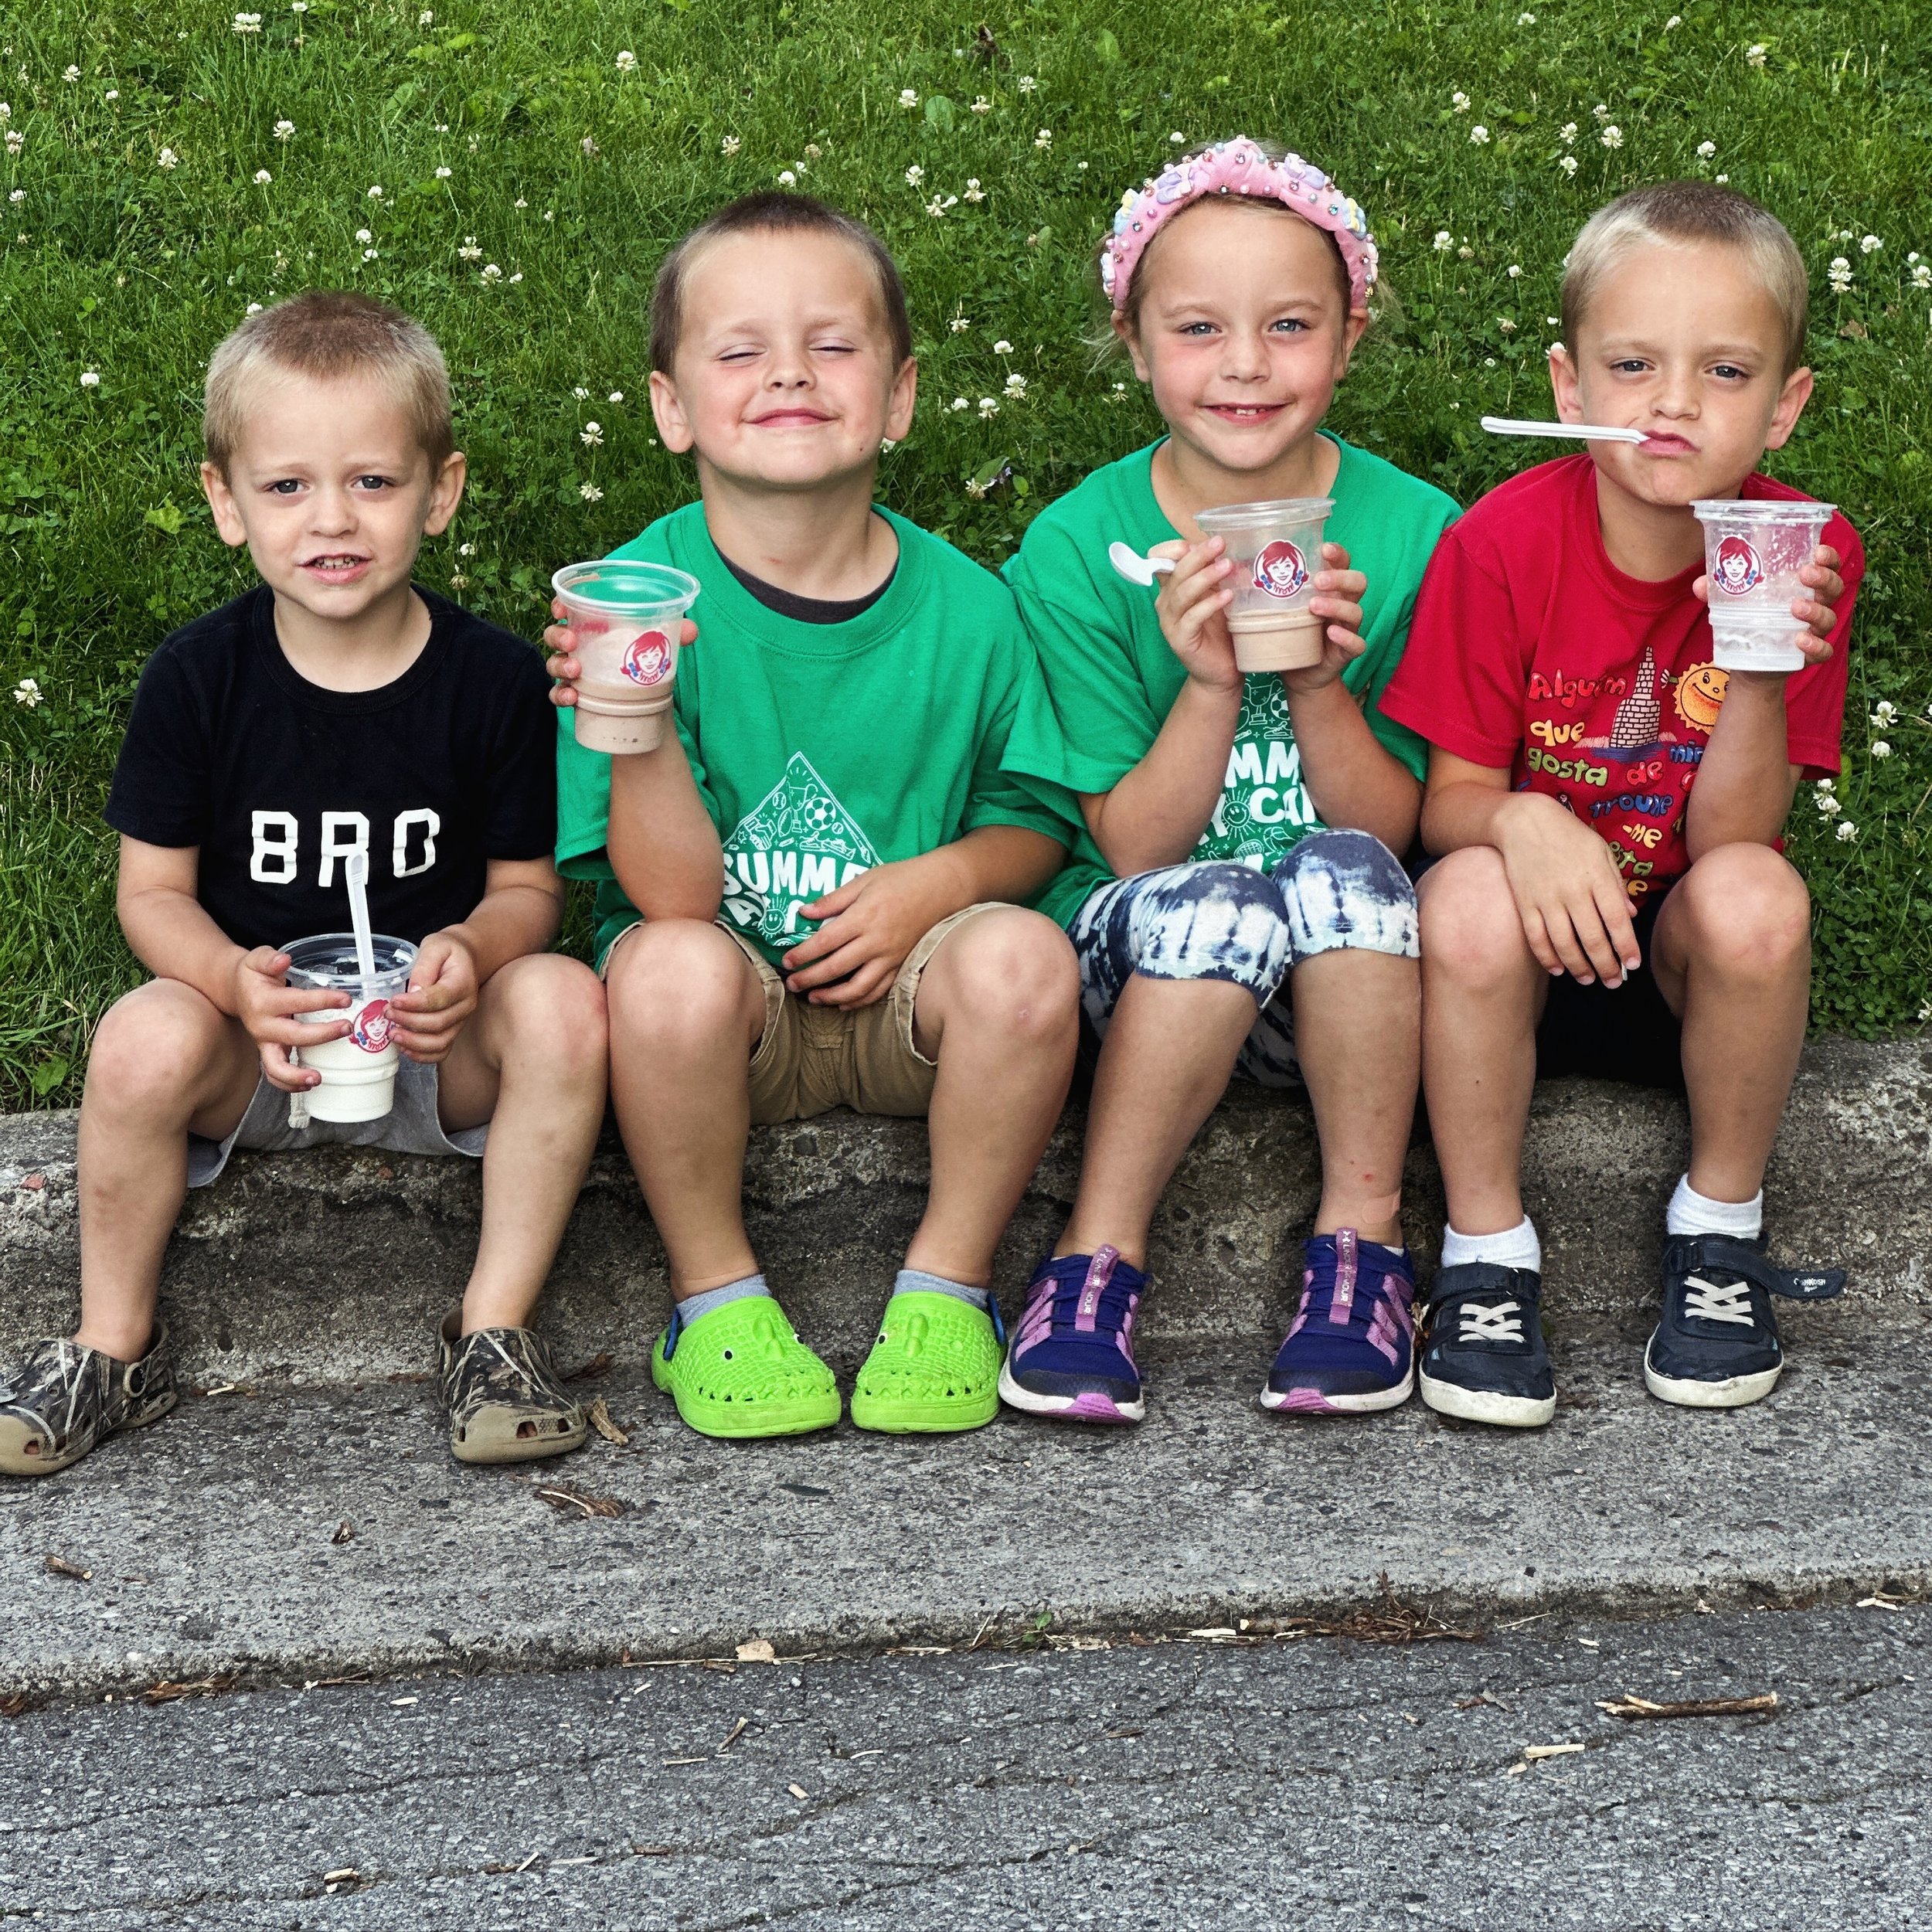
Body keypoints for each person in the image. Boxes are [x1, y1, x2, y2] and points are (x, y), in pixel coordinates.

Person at [0, 293, 607, 1477]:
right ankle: (112, 1344)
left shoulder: (487, 680)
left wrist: (474, 955)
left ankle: (493, 1332)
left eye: (374, 483)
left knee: (564, 998)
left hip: (435, 1047)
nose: (332, 519)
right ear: (227, 502)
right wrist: (228, 979)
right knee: (138, 1035)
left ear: (442, 490)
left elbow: (529, 890)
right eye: (287, 488)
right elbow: (151, 898)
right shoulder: (199, 680)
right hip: (256, 1049)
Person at [548, 192, 1079, 1440]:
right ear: (673, 407)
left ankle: (949, 1287)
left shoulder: (970, 608)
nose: (788, 371)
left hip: (913, 1002)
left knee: (1026, 954)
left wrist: (932, 887)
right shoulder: (632, 608)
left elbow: (1035, 828)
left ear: (897, 397)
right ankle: (714, 1298)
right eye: (739, 350)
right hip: (728, 1021)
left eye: (832, 345)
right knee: (667, 968)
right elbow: (672, 903)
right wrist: (645, 727)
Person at [1381, 182, 1859, 1426]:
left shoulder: (1804, 554)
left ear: (1784, 407)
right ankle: (1486, 1252)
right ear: (1569, 388)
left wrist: (1758, 671)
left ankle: (1720, 1235)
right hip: (1516, 972)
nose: (1674, 404)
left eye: (1726, 371)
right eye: (1633, 365)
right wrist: (1527, 821)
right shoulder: (1499, 544)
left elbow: (1732, 843)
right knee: (1473, 885)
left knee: (1764, 898)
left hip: (1678, 978)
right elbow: (1450, 807)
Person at [998, 137, 1457, 1423]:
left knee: (1349, 869)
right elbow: (1135, 848)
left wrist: (1315, 684)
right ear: (1135, 342)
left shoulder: (1421, 535)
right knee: (1216, 900)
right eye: (1199, 328)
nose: (1246, 365)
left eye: (1290, 325)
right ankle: (1096, 1259)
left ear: (1348, 338)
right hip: (1147, 971)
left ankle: (1361, 1249)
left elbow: (1397, 827)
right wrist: (1207, 682)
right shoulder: (1082, 547)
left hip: (1347, 972)